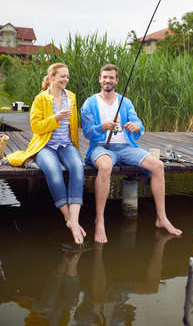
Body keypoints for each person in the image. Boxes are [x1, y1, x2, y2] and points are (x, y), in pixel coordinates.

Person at [81, 63, 182, 243]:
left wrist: (136, 128)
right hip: (101, 147)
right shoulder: (90, 103)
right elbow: (88, 132)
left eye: (111, 77)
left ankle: (161, 218)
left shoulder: (125, 102)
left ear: (117, 81)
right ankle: (100, 220)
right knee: (105, 166)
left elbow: (139, 125)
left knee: (158, 165)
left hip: (126, 147)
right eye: (104, 77)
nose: (107, 80)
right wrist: (102, 127)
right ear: (99, 79)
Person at [7, 63, 86, 244]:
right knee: (53, 172)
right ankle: (69, 220)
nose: (65, 79)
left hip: (66, 144)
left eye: (67, 76)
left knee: (78, 167)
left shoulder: (71, 97)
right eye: (62, 76)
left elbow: (73, 125)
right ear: (51, 77)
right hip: (46, 146)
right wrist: (55, 119)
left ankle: (75, 219)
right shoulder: (41, 99)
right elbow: (36, 127)